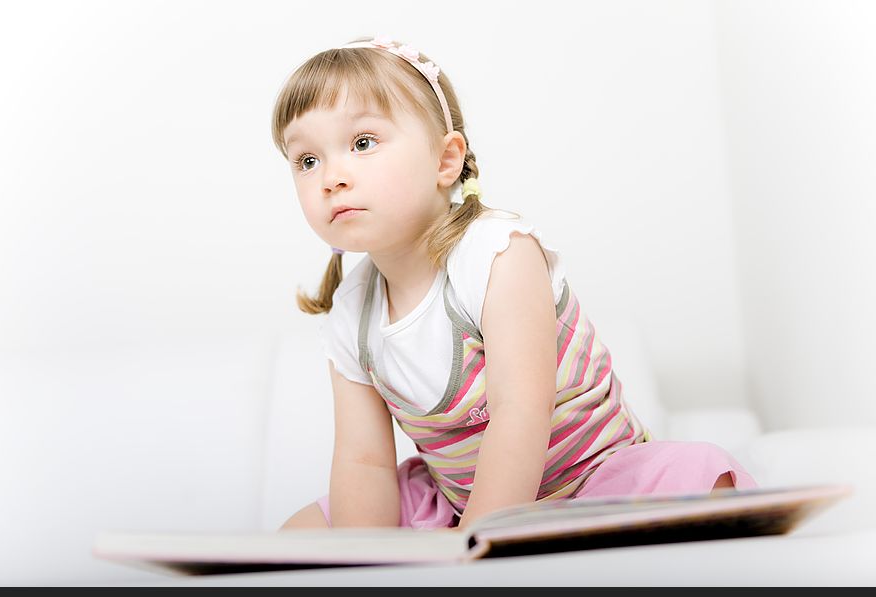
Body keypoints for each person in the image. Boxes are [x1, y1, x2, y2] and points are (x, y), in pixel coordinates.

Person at [272, 34, 757, 532]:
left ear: (445, 161)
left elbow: (521, 413)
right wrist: (363, 560)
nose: (331, 176)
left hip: (588, 481)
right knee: (304, 532)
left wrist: (473, 545)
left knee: (701, 477)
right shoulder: (353, 312)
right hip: (463, 498)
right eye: (307, 160)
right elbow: (363, 462)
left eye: (362, 143)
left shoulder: (497, 254)